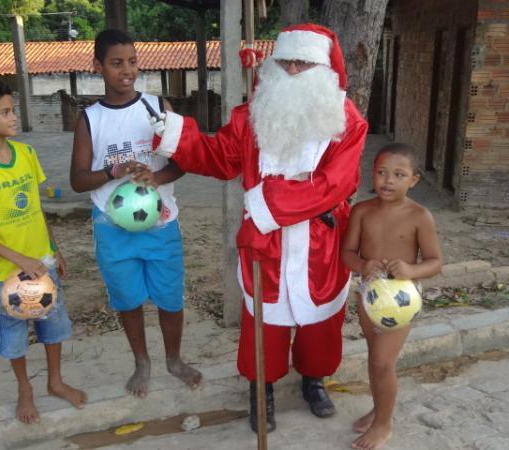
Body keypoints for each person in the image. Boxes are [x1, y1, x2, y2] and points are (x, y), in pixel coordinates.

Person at [150, 23, 368, 432]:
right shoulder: (254, 114)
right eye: (285, 62)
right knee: (263, 319)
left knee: (319, 321)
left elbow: (336, 184)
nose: (291, 70)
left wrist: (266, 202)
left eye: (302, 63)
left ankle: (314, 379)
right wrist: (178, 135)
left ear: (322, 69)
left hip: (319, 240)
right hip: (263, 240)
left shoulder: (348, 120)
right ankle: (261, 388)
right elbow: (221, 157)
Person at [70, 29, 202, 398]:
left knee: (169, 298)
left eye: (131, 62)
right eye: (115, 63)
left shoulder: (157, 107)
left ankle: (174, 360)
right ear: (98, 66)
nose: (126, 71)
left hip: (160, 222)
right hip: (112, 227)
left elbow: (183, 162)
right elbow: (78, 180)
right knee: (128, 300)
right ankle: (141, 362)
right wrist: (113, 172)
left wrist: (156, 177)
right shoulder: (90, 120)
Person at [0, 77, 87, 424]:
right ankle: (24, 389)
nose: (14, 117)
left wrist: (53, 250)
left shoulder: (27, 154)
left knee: (54, 327)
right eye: (6, 112)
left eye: (13, 110)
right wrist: (18, 260)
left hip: (41, 264)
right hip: (5, 274)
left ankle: (55, 381)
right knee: (15, 339)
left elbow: (36, 209)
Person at [341, 142, 442, 450]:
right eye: (382, 172)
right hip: (369, 294)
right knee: (375, 358)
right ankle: (378, 408)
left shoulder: (420, 216)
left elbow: (435, 261)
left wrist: (411, 269)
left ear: (413, 180)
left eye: (399, 174)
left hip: (402, 300)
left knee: (384, 362)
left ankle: (384, 425)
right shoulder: (361, 211)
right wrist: (363, 264)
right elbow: (346, 254)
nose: (388, 180)